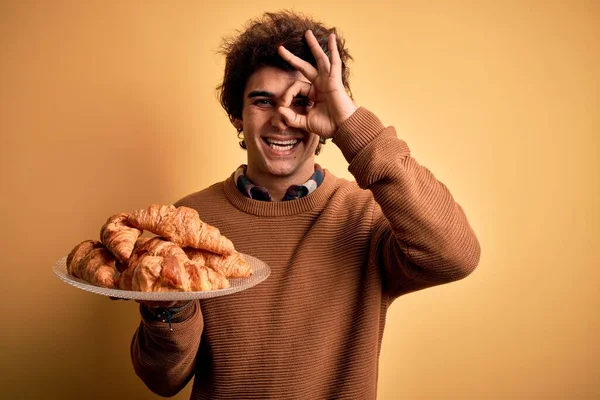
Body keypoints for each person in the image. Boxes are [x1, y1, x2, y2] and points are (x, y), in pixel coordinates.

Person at [129, 10, 481, 400]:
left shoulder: (366, 217)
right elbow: (163, 379)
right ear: (236, 116)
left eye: (301, 101)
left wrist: (351, 123)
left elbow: (457, 256)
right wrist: (168, 307)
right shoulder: (188, 222)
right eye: (262, 101)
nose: (283, 117)